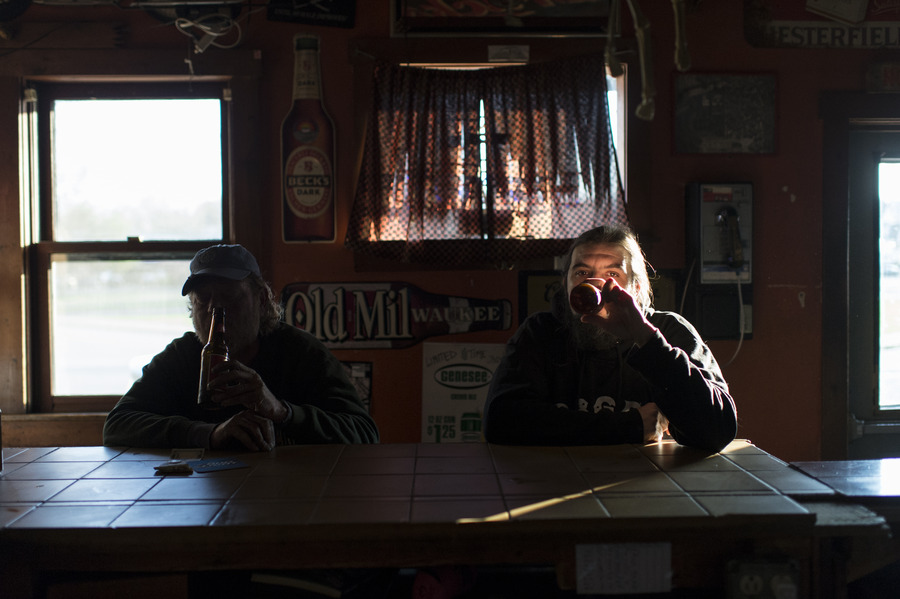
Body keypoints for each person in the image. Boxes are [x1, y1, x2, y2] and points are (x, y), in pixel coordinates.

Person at [483, 225, 737, 452]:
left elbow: (718, 431)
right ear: (566, 284)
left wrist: (645, 338)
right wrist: (629, 426)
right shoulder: (541, 332)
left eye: (613, 275)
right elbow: (500, 422)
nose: (595, 284)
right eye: (582, 273)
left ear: (636, 287)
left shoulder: (668, 332)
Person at [103, 244, 379, 450]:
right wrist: (210, 434)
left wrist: (282, 411)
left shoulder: (300, 352)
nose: (215, 310)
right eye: (203, 299)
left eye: (229, 296)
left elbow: (365, 433)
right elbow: (117, 425)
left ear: (261, 300)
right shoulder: (181, 356)